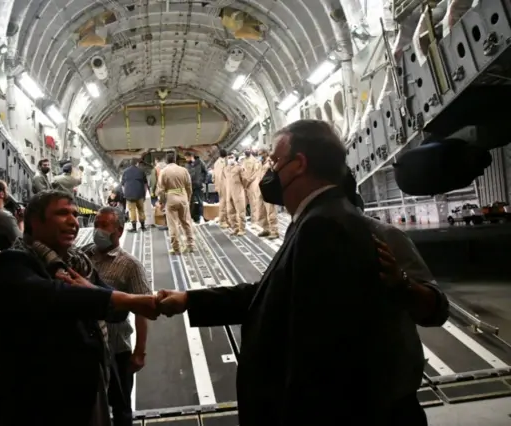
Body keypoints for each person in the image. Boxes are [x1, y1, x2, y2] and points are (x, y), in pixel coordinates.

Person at [156, 119, 395, 425]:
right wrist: (189, 300)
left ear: (298, 165)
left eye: (274, 161)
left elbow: (321, 344)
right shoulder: (317, 218)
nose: (269, 170)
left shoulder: (323, 227)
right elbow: (275, 290)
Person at [0, 190, 159, 426]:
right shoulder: (11, 263)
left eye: (75, 214)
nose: (73, 222)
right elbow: (54, 297)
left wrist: (103, 295)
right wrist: (123, 299)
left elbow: (117, 313)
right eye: (62, 213)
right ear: (34, 220)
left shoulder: (78, 263)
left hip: (88, 388)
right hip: (39, 401)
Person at [342, 168, 449, 426]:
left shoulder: (384, 235)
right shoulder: (301, 237)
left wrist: (400, 282)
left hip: (388, 397)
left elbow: (436, 310)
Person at [85, 207, 151, 426]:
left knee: (121, 407)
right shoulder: (83, 256)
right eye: (96, 224)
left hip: (117, 349)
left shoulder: (131, 265)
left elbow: (143, 308)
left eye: (104, 226)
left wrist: (140, 351)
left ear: (119, 231)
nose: (98, 231)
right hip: (88, 347)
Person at [157, 152, 195, 254]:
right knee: (186, 222)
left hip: (171, 198)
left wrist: (161, 202)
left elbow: (161, 190)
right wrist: (188, 199)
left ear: (166, 161)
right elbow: (189, 187)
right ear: (175, 160)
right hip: (183, 196)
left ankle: (176, 248)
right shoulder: (184, 170)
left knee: (172, 224)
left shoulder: (163, 172)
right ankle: (190, 245)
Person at [252, 149, 279, 239]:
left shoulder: (270, 162)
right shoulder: (259, 163)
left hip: (268, 189)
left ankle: (274, 231)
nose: (260, 155)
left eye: (261, 154)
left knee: (270, 210)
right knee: (261, 210)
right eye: (258, 154)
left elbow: (275, 171)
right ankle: (266, 229)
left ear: (265, 153)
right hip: (260, 189)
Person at [121, 158, 148, 232]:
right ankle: (143, 227)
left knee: (132, 210)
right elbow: (145, 184)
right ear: (137, 163)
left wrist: (125, 194)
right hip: (140, 194)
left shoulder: (125, 172)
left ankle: (134, 228)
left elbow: (123, 185)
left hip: (129, 195)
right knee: (141, 210)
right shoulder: (141, 171)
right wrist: (144, 194)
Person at [225, 153, 246, 236]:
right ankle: (235, 228)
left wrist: (242, 188)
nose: (230, 159)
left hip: (238, 191)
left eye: (232, 157)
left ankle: (242, 229)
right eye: (229, 157)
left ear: (235, 158)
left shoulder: (239, 168)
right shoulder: (226, 168)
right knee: (230, 211)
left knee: (240, 211)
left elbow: (244, 180)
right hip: (229, 192)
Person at [184, 152, 208, 223]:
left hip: (199, 185)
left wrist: (204, 182)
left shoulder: (200, 162)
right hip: (190, 187)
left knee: (200, 202)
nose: (186, 159)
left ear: (191, 156)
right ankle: (190, 218)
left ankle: (201, 217)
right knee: (190, 202)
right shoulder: (186, 165)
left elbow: (205, 172)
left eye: (186, 158)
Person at [240, 148, 260, 222]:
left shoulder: (255, 161)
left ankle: (255, 221)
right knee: (242, 203)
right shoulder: (243, 160)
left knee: (253, 203)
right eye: (245, 149)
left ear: (250, 150)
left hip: (252, 183)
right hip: (244, 184)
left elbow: (255, 173)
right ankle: (241, 220)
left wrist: (249, 180)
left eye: (248, 149)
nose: (246, 150)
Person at [213, 149, 229, 228]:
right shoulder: (222, 163)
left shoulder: (216, 162)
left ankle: (226, 220)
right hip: (223, 184)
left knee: (225, 203)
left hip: (221, 185)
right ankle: (223, 221)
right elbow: (223, 175)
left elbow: (213, 176)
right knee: (224, 203)